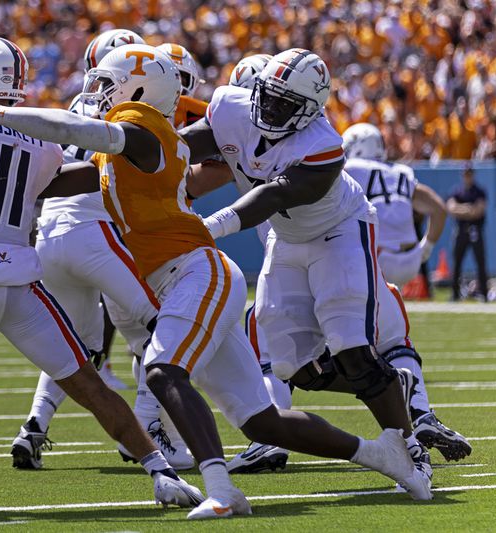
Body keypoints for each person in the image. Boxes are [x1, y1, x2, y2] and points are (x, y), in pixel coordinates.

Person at [0, 43, 432, 519]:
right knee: (261, 420)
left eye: (109, 85)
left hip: (198, 271)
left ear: (137, 90)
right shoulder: (136, 147)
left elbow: (73, 127)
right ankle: (382, 455)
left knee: (162, 369)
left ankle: (220, 489)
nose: (100, 95)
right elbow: (66, 179)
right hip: (182, 277)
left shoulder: (142, 129)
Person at [0, 36, 202, 511]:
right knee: (88, 383)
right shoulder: (39, 132)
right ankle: (161, 472)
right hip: (19, 283)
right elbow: (72, 180)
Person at [181, 49, 434, 488]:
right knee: (290, 367)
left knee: (349, 345)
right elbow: (183, 146)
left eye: (286, 104)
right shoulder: (230, 105)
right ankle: (393, 384)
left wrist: (210, 227)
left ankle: (407, 447)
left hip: (339, 231)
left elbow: (273, 197)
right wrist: (143, 157)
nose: (271, 109)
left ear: (310, 112)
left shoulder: (323, 145)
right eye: (269, 96)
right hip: (287, 238)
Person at [10, 28, 194, 472]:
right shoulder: (133, 112)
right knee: (161, 329)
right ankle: (148, 429)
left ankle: (33, 425)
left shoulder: (79, 105)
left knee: (75, 344)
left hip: (49, 232)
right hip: (99, 232)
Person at [343, 123, 447, 287]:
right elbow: (439, 208)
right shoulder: (401, 171)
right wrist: (426, 247)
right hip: (411, 259)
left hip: (378, 258)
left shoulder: (351, 168)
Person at [447, 166, 488, 301]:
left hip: (475, 230)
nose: (467, 176)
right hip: (461, 231)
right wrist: (468, 209)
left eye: (469, 174)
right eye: (465, 174)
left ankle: (484, 293)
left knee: (480, 262)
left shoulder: (479, 191)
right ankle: (455, 293)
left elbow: (479, 210)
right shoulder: (457, 191)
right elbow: (451, 208)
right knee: (457, 263)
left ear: (473, 175)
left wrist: (463, 210)